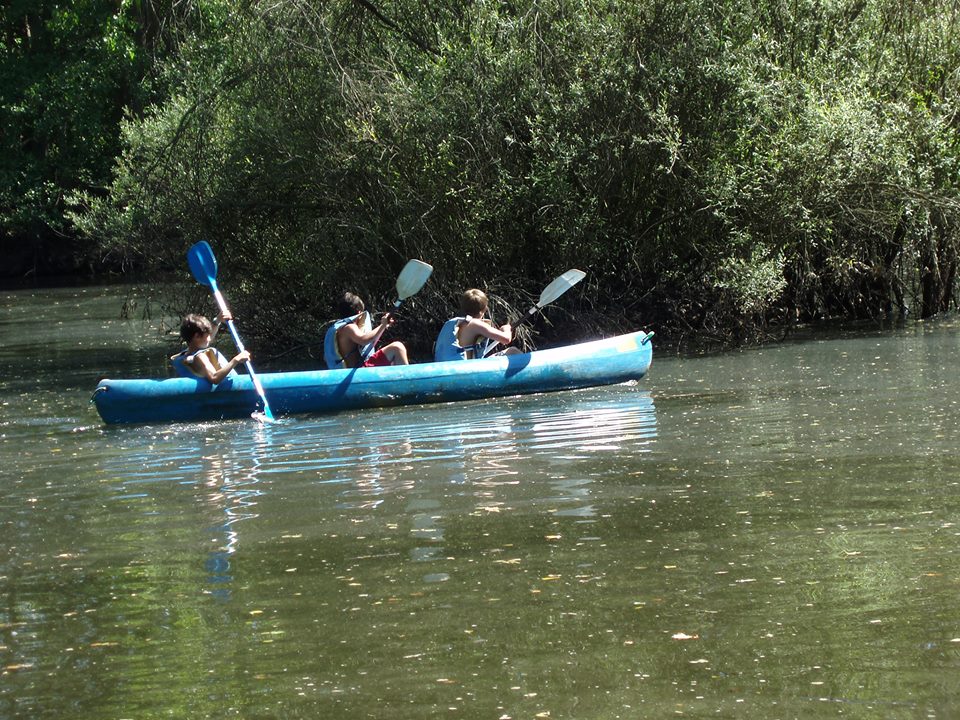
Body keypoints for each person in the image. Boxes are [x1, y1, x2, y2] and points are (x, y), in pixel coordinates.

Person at [324, 292, 409, 369]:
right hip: (359, 371)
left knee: (393, 359)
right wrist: (382, 325)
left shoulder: (341, 329)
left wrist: (383, 326)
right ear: (359, 313)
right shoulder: (349, 327)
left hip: (357, 369)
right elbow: (363, 340)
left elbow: (370, 343)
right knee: (397, 347)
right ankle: (410, 384)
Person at [434, 288, 521, 362]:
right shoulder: (475, 324)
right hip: (464, 372)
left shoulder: (451, 323)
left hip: (446, 368)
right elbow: (506, 339)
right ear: (483, 310)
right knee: (513, 351)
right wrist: (506, 329)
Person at [171, 312, 250, 384]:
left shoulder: (184, 355)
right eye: (207, 336)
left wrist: (217, 320)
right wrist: (235, 360)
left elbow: (205, 339)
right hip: (232, 393)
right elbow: (214, 378)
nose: (210, 339)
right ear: (197, 336)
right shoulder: (200, 356)